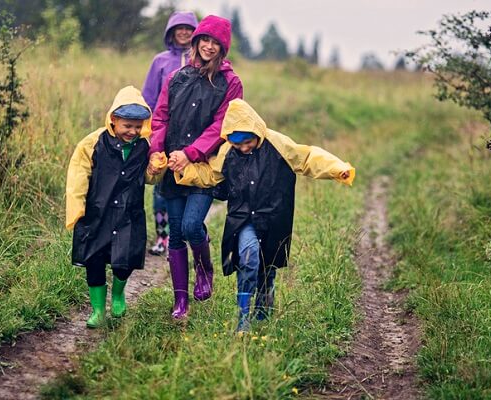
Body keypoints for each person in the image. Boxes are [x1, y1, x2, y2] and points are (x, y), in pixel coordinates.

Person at [173, 99, 355, 332]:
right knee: (248, 259)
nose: (244, 148)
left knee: (268, 264)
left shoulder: (278, 143)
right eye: (238, 145)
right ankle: (243, 318)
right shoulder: (229, 150)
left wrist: (338, 169)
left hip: (273, 217)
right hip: (243, 218)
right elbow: (210, 174)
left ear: (257, 132)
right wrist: (184, 171)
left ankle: (264, 300)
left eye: (248, 142)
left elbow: (308, 158)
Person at [147, 15, 243, 319]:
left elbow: (222, 125)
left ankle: (205, 271)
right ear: (196, 40)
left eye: (216, 43)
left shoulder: (230, 83)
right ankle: (181, 301)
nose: (209, 47)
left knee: (191, 226)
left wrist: (191, 153)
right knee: (176, 234)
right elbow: (160, 117)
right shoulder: (177, 76)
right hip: (173, 168)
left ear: (223, 47)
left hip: (202, 169)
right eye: (205, 40)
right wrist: (156, 151)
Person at [66, 86, 166, 328]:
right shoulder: (93, 143)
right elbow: (78, 174)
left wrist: (156, 168)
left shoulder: (145, 146)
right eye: (127, 126)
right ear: (113, 119)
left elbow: (149, 179)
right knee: (95, 261)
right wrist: (76, 208)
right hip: (97, 212)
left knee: (126, 260)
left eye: (137, 126)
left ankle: (119, 294)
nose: (132, 131)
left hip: (128, 214)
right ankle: (98, 310)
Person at [142, 11, 198, 256]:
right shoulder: (160, 61)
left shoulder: (202, 61)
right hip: (163, 132)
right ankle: (162, 236)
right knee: (160, 185)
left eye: (189, 28)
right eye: (179, 28)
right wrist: (149, 131)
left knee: (190, 182)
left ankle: (185, 231)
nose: (184, 32)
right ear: (171, 31)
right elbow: (149, 97)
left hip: (192, 136)